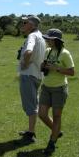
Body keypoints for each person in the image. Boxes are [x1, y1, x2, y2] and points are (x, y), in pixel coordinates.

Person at [38, 29, 74, 155]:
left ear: (56, 40)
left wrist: (56, 68)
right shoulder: (47, 51)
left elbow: (71, 72)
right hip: (46, 87)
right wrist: (43, 66)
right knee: (42, 114)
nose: (47, 40)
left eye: (49, 39)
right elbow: (42, 66)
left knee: (57, 116)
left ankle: (51, 143)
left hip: (59, 88)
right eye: (47, 38)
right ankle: (56, 132)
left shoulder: (65, 53)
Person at [17, 15, 46, 143]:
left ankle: (31, 134)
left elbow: (28, 52)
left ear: (32, 25)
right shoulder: (40, 35)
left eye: (25, 22)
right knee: (33, 103)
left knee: (30, 105)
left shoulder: (32, 36)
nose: (22, 24)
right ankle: (30, 130)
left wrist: (24, 64)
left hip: (28, 74)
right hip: (37, 75)